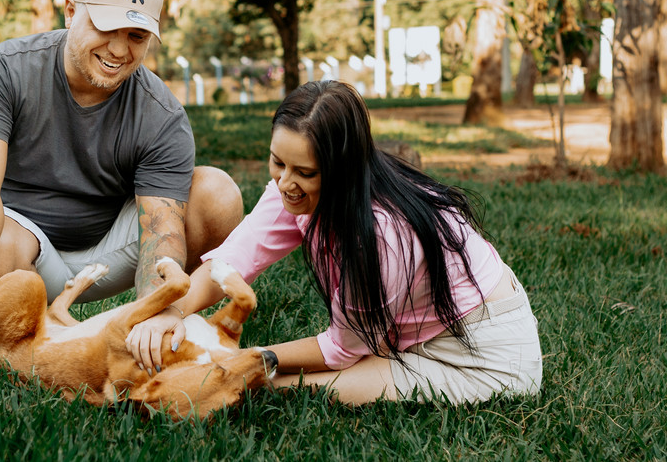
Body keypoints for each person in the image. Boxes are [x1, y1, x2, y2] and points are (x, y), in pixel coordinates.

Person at [127, 80, 542, 404]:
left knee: (263, 382)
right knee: (252, 374)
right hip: (400, 333)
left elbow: (341, 348)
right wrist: (171, 311)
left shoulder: (380, 234)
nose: (285, 183)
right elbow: (234, 260)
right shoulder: (294, 184)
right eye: (277, 162)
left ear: (341, 169)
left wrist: (243, 356)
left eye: (304, 172)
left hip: (482, 354)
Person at [0, 0, 243, 344]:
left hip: (104, 250)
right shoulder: (2, 70)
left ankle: (136, 326)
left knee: (219, 195)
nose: (118, 49)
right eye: (106, 26)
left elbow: (162, 229)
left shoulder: (160, 114)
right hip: (15, 240)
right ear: (70, 12)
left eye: (136, 36)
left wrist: (153, 309)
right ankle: (33, 320)